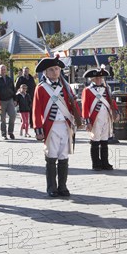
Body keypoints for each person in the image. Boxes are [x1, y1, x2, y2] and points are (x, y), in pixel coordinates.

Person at [33, 54, 79, 197]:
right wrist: (38, 129)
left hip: (65, 125)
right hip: (50, 126)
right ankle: (52, 187)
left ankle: (63, 186)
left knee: (63, 156)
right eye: (52, 69)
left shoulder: (65, 87)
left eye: (57, 69)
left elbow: (73, 105)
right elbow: (36, 110)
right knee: (51, 156)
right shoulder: (41, 88)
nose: (55, 72)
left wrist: (78, 119)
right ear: (45, 72)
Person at [81, 68, 118, 171]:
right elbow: (85, 107)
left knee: (104, 141)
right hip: (95, 118)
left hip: (106, 117)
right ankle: (96, 163)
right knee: (95, 141)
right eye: (97, 78)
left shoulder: (106, 89)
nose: (99, 80)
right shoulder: (87, 90)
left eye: (100, 77)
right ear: (92, 79)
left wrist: (116, 111)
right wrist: (87, 121)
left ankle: (105, 162)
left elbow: (111, 101)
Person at [0, 64, 16, 139]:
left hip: (10, 100)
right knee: (2, 118)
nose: (3, 71)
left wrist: (15, 99)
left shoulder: (9, 79)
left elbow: (13, 89)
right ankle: (4, 134)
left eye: (4, 69)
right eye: (1, 69)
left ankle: (10, 132)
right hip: (0, 101)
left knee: (13, 115)